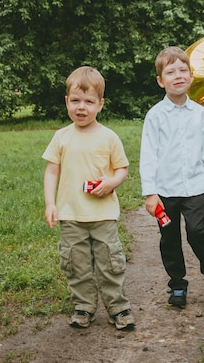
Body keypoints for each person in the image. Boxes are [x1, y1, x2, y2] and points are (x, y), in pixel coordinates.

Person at [43, 66, 135, 330]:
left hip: (102, 214)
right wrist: (51, 203)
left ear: (100, 104)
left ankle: (118, 307)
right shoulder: (61, 137)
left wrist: (111, 182)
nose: (81, 107)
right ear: (66, 102)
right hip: (71, 214)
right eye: (75, 101)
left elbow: (122, 169)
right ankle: (83, 306)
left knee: (110, 263)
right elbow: (51, 171)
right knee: (76, 264)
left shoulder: (109, 137)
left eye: (88, 102)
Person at [140, 46, 204, 311]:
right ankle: (177, 284)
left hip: (195, 187)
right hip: (165, 190)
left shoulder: (200, 114)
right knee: (169, 237)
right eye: (170, 72)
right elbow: (148, 156)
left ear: (190, 76)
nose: (178, 76)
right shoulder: (155, 116)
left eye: (183, 70)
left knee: (197, 232)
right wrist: (150, 192)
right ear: (160, 80)